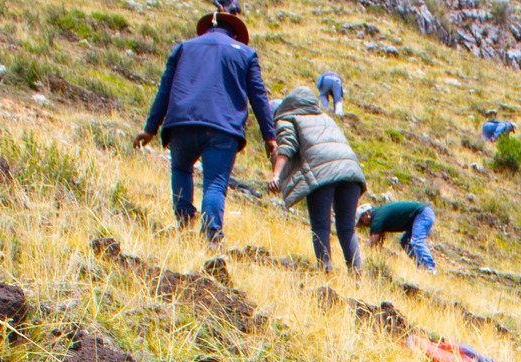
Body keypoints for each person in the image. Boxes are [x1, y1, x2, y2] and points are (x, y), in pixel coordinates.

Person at [136, 10, 276, 243]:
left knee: (181, 170)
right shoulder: (246, 54)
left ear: (208, 29)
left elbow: (165, 89)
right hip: (223, 128)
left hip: (182, 122)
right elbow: (259, 97)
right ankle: (211, 235)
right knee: (215, 182)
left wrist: (150, 128)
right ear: (235, 34)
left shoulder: (183, 48)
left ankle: (183, 224)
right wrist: (269, 136)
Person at [267, 84, 364, 272]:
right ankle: (356, 275)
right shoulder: (324, 117)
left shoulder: (286, 116)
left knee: (320, 225)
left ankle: (325, 271)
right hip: (351, 171)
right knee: (346, 228)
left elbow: (287, 146)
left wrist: (276, 175)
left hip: (322, 172)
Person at [358, 199, 435, 270]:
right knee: (405, 242)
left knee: (417, 241)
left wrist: (362, 254)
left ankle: (429, 267)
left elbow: (372, 243)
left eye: (361, 222)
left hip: (423, 214)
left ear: (366, 214)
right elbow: (378, 243)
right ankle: (421, 265)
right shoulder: (378, 215)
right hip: (421, 215)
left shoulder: (376, 219)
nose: (362, 225)